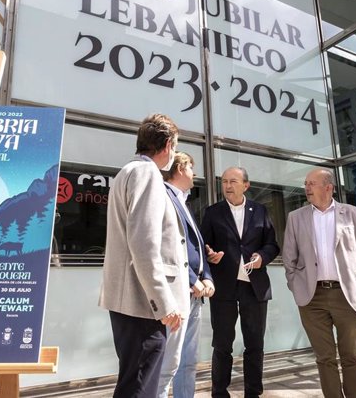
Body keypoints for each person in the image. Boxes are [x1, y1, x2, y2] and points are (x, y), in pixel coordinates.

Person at [99, 113, 189, 398]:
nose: (173, 153)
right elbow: (144, 244)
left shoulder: (127, 171)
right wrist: (164, 303)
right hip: (142, 305)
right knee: (139, 388)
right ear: (167, 145)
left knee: (133, 385)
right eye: (174, 147)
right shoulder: (147, 173)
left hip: (130, 303)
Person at [282, 168, 356, 398]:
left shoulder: (355, 215)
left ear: (329, 187)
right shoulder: (296, 217)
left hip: (347, 295)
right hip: (312, 298)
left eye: (312, 183)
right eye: (306, 183)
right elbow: (289, 259)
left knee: (352, 356)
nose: (307, 187)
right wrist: (296, 286)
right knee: (324, 358)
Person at [201, 166, 280, 398]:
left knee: (255, 345)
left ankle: (253, 393)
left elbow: (272, 245)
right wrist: (210, 255)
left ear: (246, 185)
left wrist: (261, 258)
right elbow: (203, 246)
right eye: (224, 181)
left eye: (233, 181)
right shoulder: (212, 212)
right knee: (222, 345)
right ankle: (219, 393)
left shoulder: (261, 211)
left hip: (254, 287)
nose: (227, 185)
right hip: (223, 288)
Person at [158, 152, 215, 398]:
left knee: (188, 363)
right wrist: (193, 280)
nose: (195, 174)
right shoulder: (162, 196)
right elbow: (164, 246)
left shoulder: (184, 201)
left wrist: (207, 277)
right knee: (167, 365)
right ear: (180, 168)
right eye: (192, 168)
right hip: (177, 293)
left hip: (194, 295)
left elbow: (196, 248)